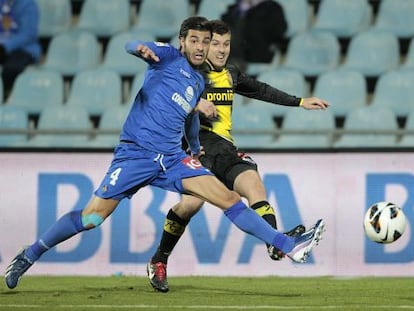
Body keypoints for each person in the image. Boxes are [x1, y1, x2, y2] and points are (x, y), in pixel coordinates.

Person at [4, 16, 325, 290]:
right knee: (92, 218)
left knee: (229, 199)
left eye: (206, 41)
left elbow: (188, 124)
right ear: (182, 42)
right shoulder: (168, 57)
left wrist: (196, 149)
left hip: (173, 159)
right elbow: (133, 45)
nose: (201, 47)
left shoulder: (199, 82)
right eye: (195, 41)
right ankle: (29, 254)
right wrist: (140, 49)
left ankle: (289, 245)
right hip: (136, 155)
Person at [147, 20, 329, 292]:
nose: (221, 50)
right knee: (190, 206)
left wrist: (300, 102)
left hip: (225, 150)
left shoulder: (230, 74)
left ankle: (275, 244)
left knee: (253, 184)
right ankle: (159, 259)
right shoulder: (187, 75)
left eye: (226, 44)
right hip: (198, 150)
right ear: (204, 45)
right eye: (215, 44)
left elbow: (261, 89)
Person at [221, 0, 287, 70]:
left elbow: (279, 30)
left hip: (258, 51)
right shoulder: (236, 8)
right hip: (234, 51)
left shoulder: (271, 7)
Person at [0, 0, 41, 97]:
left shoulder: (28, 4)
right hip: (2, 48)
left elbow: (29, 34)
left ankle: (6, 96)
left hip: (24, 49)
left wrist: (6, 47)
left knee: (11, 69)